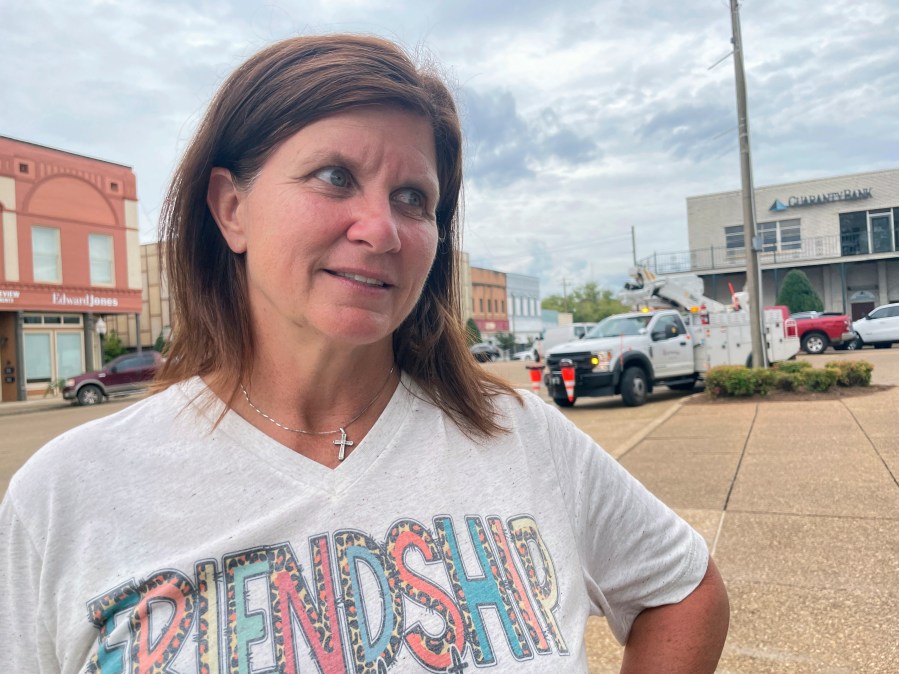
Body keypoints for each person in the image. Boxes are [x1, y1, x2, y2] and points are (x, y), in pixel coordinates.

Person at [0, 35, 728, 672]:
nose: (381, 230)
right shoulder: (67, 496)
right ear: (231, 208)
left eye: (413, 198)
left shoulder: (524, 438)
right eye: (335, 177)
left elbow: (685, 589)